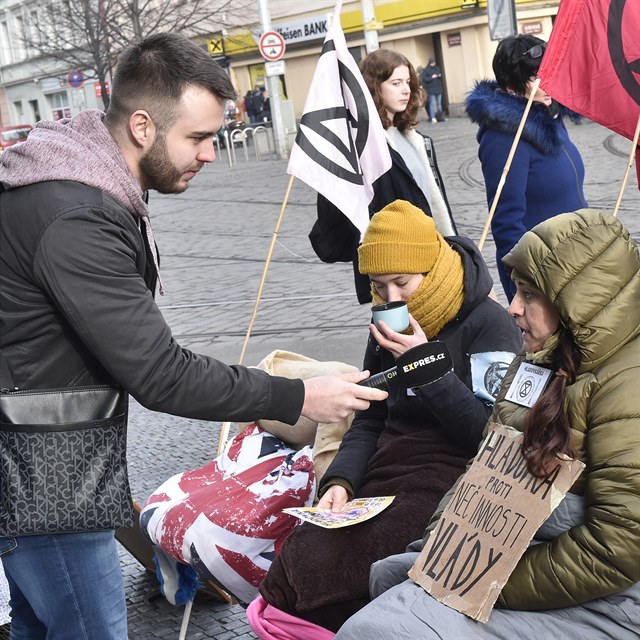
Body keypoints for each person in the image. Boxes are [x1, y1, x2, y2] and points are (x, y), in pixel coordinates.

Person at [0, 33, 386, 639]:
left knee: (37, 627)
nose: (210, 153)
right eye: (199, 137)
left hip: (44, 467)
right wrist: (300, 398)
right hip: (46, 478)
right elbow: (159, 372)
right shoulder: (78, 214)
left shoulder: (80, 183)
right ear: (144, 126)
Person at [334, 209, 640, 640]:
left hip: (609, 597)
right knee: (387, 577)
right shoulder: (536, 361)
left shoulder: (627, 386)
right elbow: (485, 466)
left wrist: (476, 580)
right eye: (516, 291)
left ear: (581, 301)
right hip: (518, 547)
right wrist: (442, 544)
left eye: (529, 295)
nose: (513, 308)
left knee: (380, 626)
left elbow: (616, 549)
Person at [251, 199, 523, 634]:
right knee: (293, 569)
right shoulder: (386, 323)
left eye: (402, 283)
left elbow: (491, 440)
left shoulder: (489, 324)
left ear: (431, 270)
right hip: (389, 466)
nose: (392, 299)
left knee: (358, 576)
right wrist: (340, 482)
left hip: (455, 476)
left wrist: (427, 365)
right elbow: (371, 419)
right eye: (380, 287)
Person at [310, 48, 457, 304]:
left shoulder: (415, 140)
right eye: (396, 83)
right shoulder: (364, 147)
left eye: (408, 83)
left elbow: (434, 202)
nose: (405, 90)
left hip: (431, 257)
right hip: (395, 268)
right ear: (375, 87)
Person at [466, 34, 587, 301]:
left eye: (548, 72)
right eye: (535, 77)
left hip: (577, 260)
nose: (546, 83)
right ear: (512, 87)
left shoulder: (549, 118)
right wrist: (526, 290)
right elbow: (506, 224)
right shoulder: (503, 136)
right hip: (545, 276)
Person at [421, 57, 444, 123]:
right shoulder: (426, 70)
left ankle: (440, 117)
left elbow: (440, 77)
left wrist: (439, 75)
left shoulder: (437, 68)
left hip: (438, 88)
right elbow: (424, 79)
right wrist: (432, 77)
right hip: (431, 90)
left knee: (439, 103)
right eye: (433, 62)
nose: (434, 63)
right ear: (430, 62)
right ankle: (433, 117)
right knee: (432, 104)